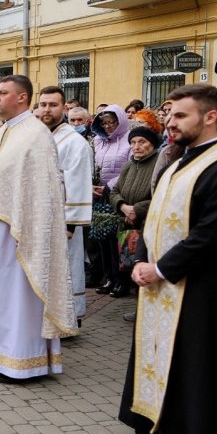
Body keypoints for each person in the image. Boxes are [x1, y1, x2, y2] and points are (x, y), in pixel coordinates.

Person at [118, 84, 217, 434]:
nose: (170, 122)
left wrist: (160, 269)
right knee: (165, 360)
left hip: (200, 288)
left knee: (195, 371)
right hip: (161, 283)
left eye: (180, 115)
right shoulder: (179, 161)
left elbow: (211, 235)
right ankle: (159, 430)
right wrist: (142, 262)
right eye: (170, 115)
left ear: (210, 117)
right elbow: (156, 220)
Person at [0, 74, 78, 383]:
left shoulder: (36, 134)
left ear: (22, 98)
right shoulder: (2, 132)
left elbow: (41, 192)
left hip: (20, 230)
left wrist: (29, 229)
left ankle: (21, 360)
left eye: (3, 93)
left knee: (18, 295)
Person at [38, 86, 94, 325]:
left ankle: (69, 318)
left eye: (53, 104)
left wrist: (70, 225)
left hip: (64, 220)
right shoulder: (40, 136)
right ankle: (47, 317)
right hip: (41, 216)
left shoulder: (74, 142)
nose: (47, 109)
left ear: (64, 108)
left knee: (67, 268)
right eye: (43, 104)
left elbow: (79, 184)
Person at [107, 127, 161, 298]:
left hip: (146, 224)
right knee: (127, 264)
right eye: (133, 142)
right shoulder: (128, 165)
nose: (136, 146)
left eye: (141, 142)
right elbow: (115, 191)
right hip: (126, 223)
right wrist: (123, 207)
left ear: (152, 144)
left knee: (144, 265)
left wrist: (136, 210)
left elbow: (160, 195)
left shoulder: (159, 164)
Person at [91, 105, 131, 296]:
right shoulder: (98, 141)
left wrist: (109, 186)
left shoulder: (128, 140)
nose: (107, 127)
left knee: (117, 240)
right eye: (104, 123)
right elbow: (92, 165)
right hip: (99, 194)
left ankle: (121, 280)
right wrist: (92, 184)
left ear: (120, 121)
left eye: (111, 123)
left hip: (118, 193)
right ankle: (109, 277)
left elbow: (129, 168)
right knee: (102, 238)